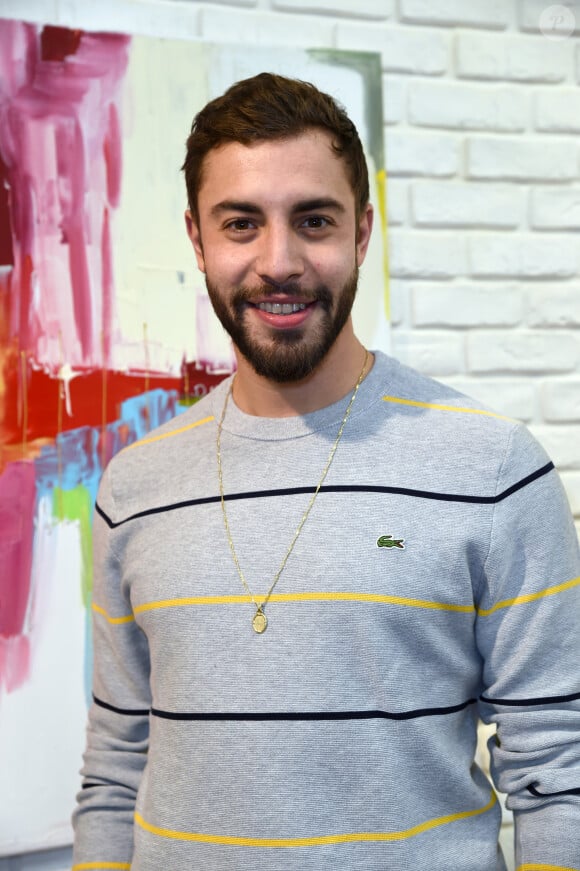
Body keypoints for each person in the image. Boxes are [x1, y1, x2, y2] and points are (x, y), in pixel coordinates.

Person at [72, 72, 580, 870]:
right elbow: (114, 766)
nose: (280, 261)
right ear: (198, 240)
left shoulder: (493, 469)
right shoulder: (134, 487)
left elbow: (558, 770)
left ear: (363, 232)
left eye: (313, 220)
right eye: (242, 223)